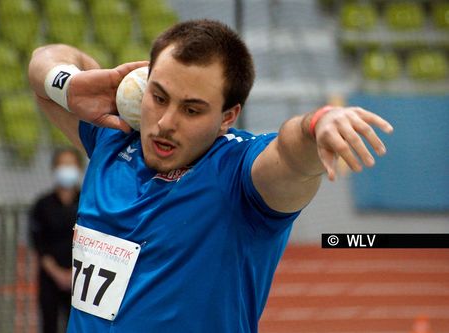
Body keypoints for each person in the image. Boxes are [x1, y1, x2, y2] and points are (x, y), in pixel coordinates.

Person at [28, 19, 393, 333]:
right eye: (158, 97)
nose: (166, 122)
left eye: (191, 109)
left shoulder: (237, 175)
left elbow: (290, 153)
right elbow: (41, 63)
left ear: (227, 117)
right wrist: (69, 84)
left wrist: (318, 123)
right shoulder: (113, 136)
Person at [29, 147, 84, 333]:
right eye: (62, 164)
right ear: (54, 168)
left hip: (81, 278)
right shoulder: (42, 205)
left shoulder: (87, 202)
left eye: (71, 164)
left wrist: (73, 274)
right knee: (49, 325)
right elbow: (39, 244)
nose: (67, 169)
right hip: (50, 278)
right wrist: (57, 274)